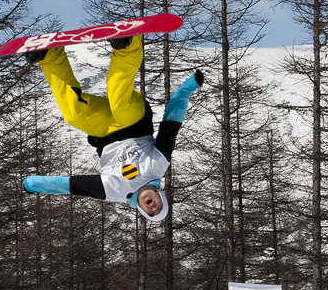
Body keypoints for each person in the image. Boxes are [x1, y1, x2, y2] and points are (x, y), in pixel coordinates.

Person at [22, 35, 203, 222]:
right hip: (134, 121)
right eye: (160, 207)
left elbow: (69, 185)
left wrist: (32, 183)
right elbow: (171, 123)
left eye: (151, 213)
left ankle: (49, 56)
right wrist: (187, 88)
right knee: (119, 104)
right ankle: (127, 47)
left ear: (140, 208)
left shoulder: (114, 190)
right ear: (160, 195)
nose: (154, 208)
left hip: (104, 131)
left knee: (74, 115)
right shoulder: (158, 165)